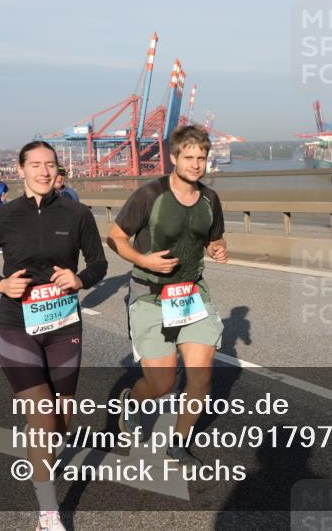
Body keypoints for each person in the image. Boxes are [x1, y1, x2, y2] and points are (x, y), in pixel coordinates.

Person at [0, 141, 107, 531]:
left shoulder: (78, 213)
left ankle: (39, 438)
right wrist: (1, 285)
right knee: (44, 416)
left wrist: (79, 279)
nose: (44, 171)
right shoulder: (1, 217)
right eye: (35, 165)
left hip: (63, 325)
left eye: (50, 164)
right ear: (20, 170)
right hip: (15, 325)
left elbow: (99, 263)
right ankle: (48, 513)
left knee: (60, 422)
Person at [107, 125, 228, 466]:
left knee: (201, 376)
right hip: (150, 294)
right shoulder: (150, 195)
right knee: (161, 384)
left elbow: (215, 237)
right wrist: (143, 259)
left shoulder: (210, 198)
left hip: (191, 292)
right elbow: (115, 237)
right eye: (188, 158)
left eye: (201, 158)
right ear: (174, 158)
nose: (195, 164)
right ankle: (133, 400)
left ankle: (178, 443)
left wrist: (218, 248)